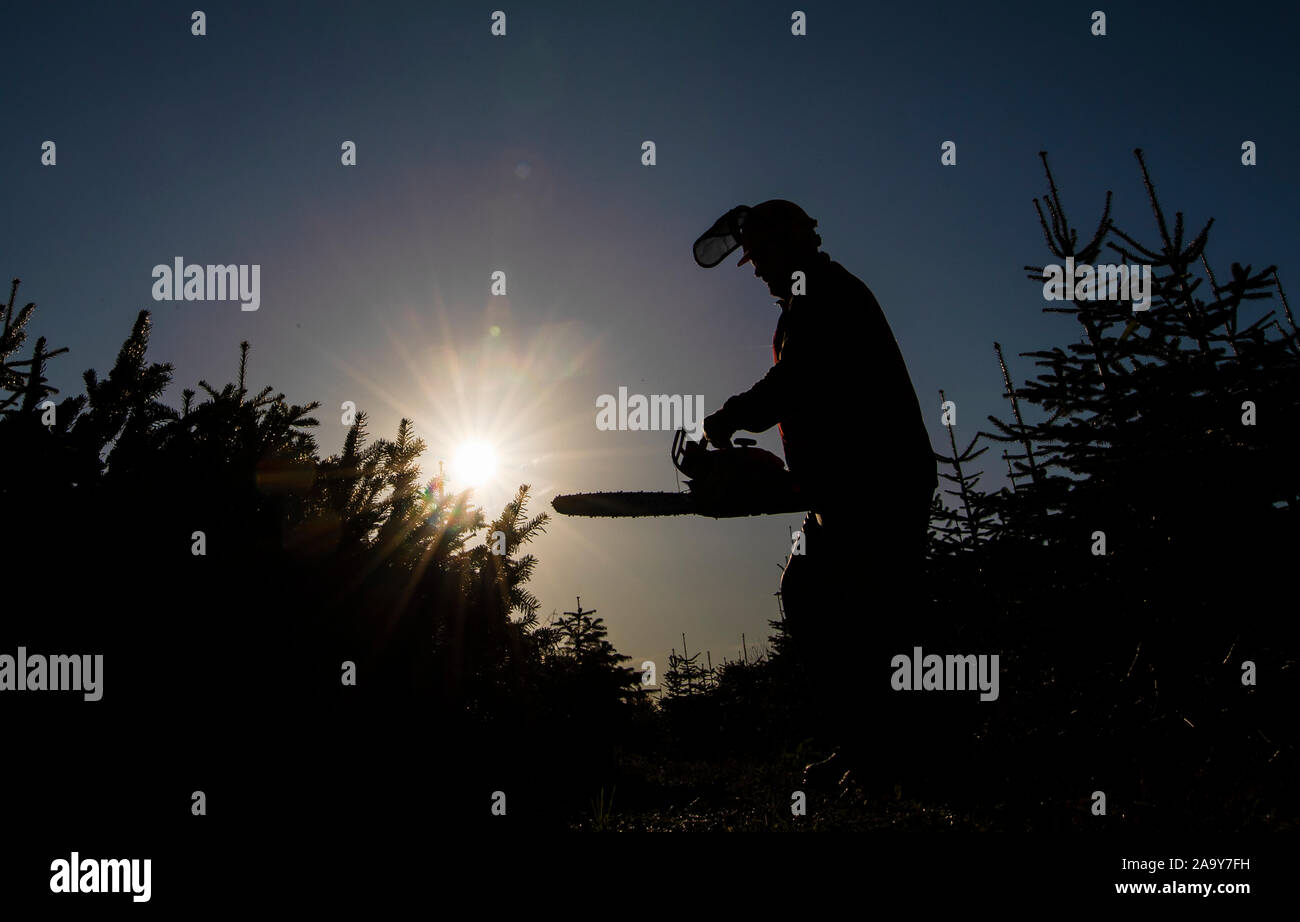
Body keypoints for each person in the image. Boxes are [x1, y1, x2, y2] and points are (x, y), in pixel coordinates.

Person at [694, 199, 938, 795]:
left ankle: (898, 757)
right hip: (847, 485)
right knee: (831, 603)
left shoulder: (827, 294)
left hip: (879, 484)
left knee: (867, 616)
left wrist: (730, 417)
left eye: (762, 257)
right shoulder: (808, 301)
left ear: (792, 245)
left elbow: (798, 380)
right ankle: (872, 749)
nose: (757, 271)